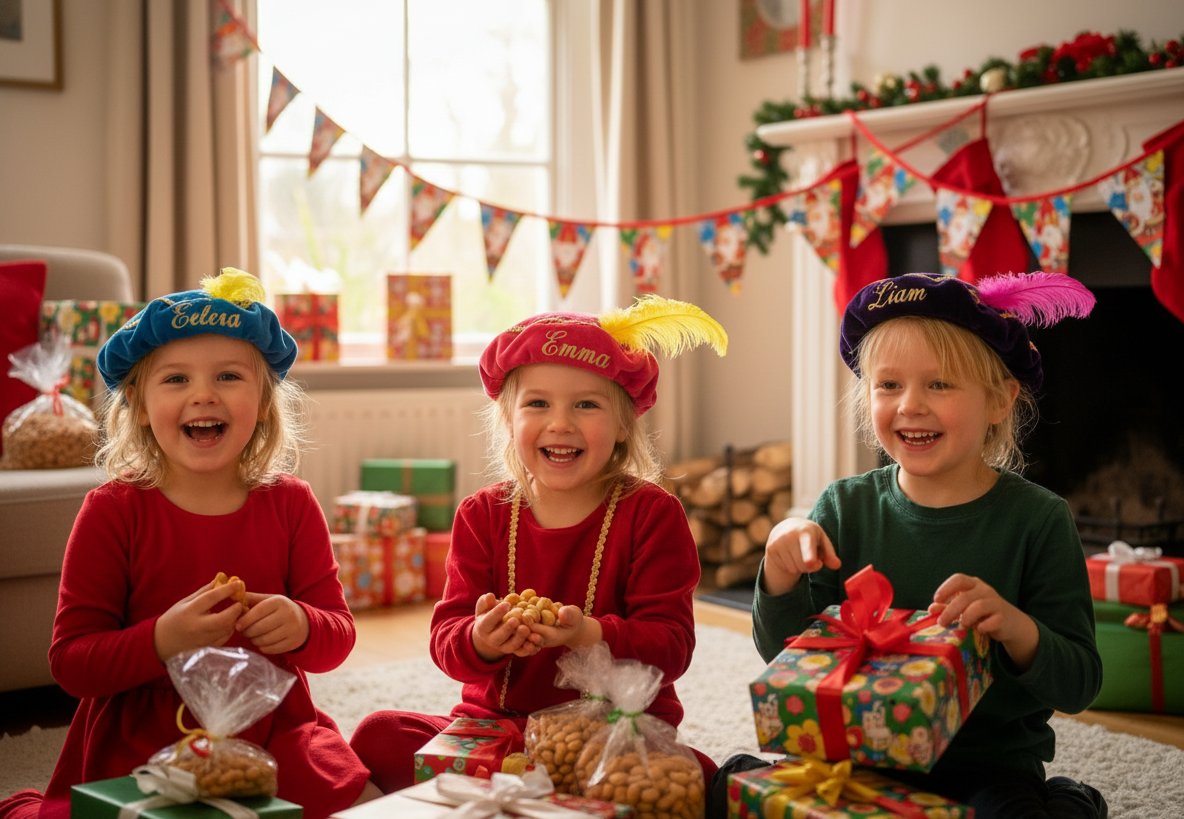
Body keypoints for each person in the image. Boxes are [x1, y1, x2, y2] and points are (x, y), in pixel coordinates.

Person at [711, 272, 1107, 819]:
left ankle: (1069, 801)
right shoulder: (843, 508)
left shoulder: (1039, 520)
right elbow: (789, 659)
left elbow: (1080, 683)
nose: (910, 406)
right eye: (888, 385)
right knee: (736, 793)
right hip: (854, 756)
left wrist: (1016, 627)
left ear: (999, 400)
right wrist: (778, 574)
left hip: (984, 767)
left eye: (939, 385)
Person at [0, 268, 381, 819]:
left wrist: (301, 624)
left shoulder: (291, 503)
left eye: (228, 376)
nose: (203, 394)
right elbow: (71, 663)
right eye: (176, 380)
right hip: (144, 731)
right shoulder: (114, 510)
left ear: (265, 399)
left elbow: (337, 637)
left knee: (359, 804)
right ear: (137, 403)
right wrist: (161, 639)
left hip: (274, 725)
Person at [349, 295, 729, 793]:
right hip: (499, 731)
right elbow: (447, 642)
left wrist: (586, 632)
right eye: (537, 403)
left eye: (586, 404)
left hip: (609, 736)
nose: (560, 423)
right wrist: (481, 640)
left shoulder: (652, 514)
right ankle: (534, 795)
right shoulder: (482, 514)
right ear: (509, 419)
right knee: (380, 736)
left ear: (621, 425)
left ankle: (524, 798)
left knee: (697, 781)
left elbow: (672, 648)